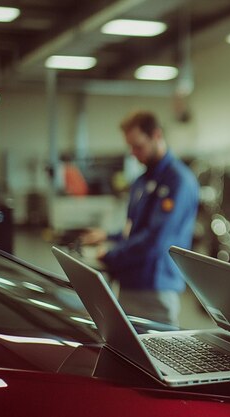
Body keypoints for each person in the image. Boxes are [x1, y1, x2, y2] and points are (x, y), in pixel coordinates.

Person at [80, 111, 199, 327]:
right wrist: (108, 236)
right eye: (131, 147)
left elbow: (156, 239)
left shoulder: (177, 181)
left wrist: (111, 254)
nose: (134, 153)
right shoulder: (143, 180)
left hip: (154, 287)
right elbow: (134, 229)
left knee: (155, 355)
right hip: (130, 282)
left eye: (138, 146)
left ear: (156, 135)